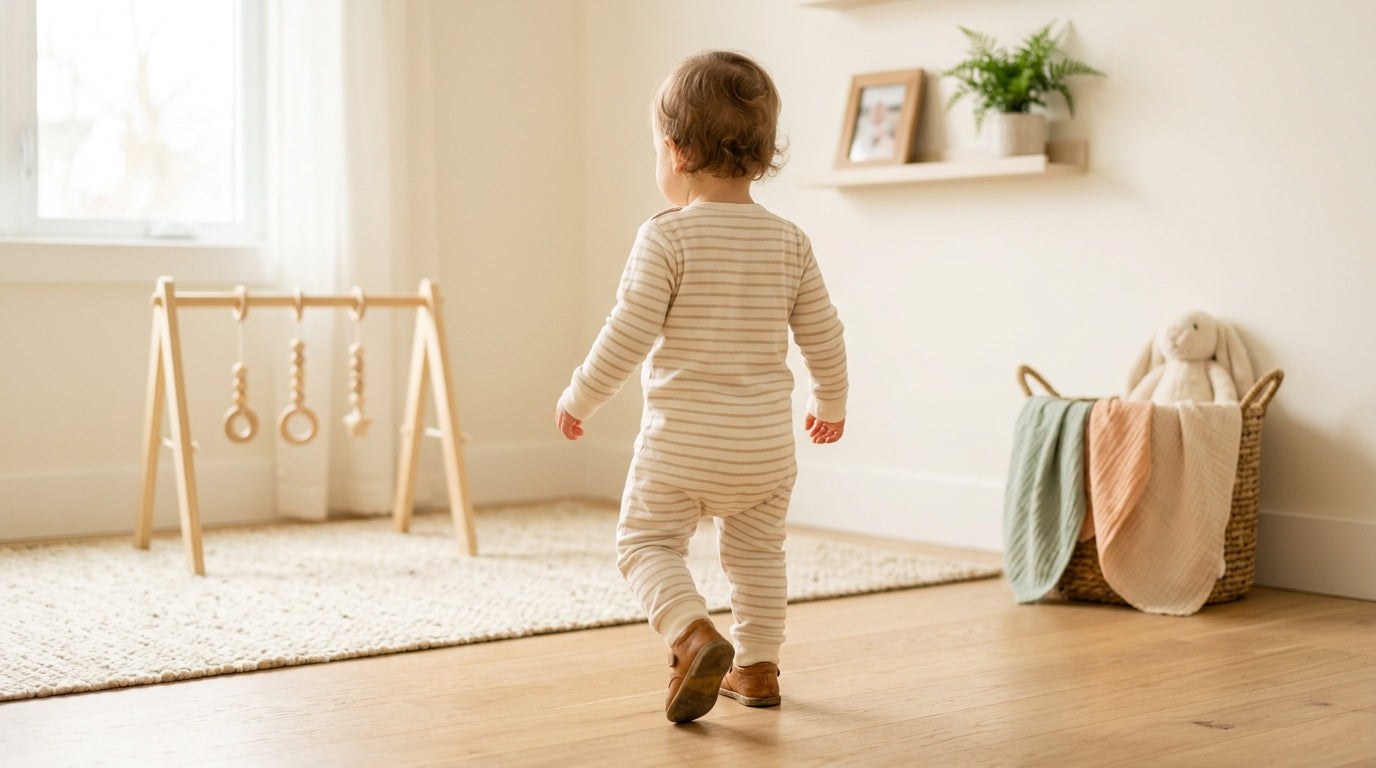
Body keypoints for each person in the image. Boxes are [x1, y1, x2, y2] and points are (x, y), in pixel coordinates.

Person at [555, 50, 848, 724]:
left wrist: (579, 397)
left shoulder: (666, 239)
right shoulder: (789, 242)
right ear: (762, 153)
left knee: (643, 544)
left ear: (676, 151)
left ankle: (691, 634)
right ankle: (758, 666)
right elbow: (824, 335)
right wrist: (829, 402)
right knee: (757, 556)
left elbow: (625, 334)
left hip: (683, 446)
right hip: (764, 449)